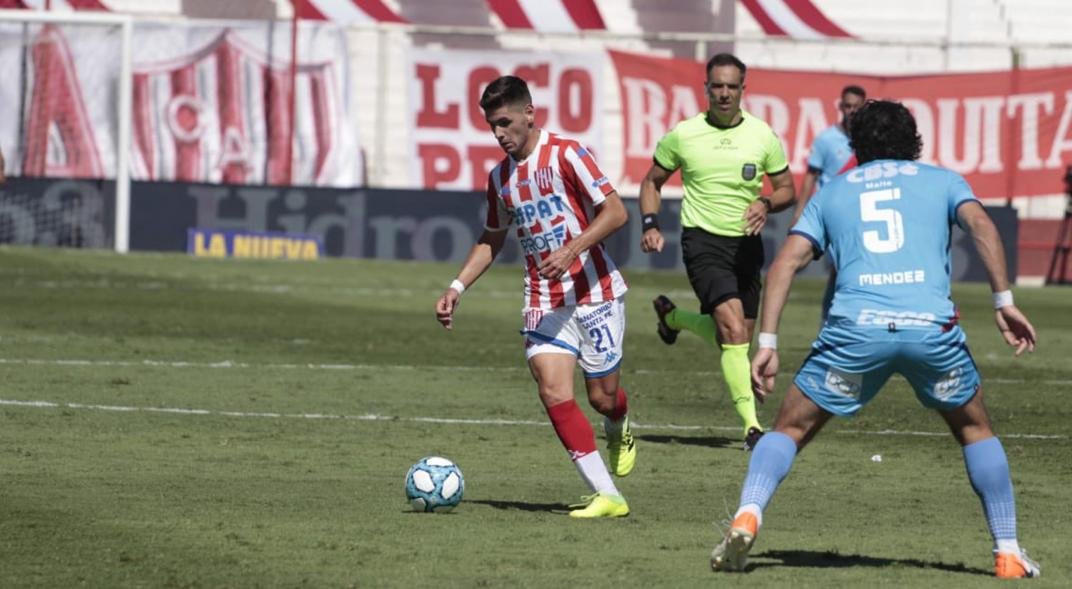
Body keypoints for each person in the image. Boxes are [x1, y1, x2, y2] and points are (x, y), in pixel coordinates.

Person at [710, 100, 1041, 579]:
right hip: (930, 331)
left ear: (856, 145)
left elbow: (785, 264)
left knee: (789, 429)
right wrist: (1003, 301)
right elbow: (982, 227)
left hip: (855, 333)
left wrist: (768, 342)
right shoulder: (944, 181)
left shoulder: (833, 192)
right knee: (975, 428)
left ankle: (747, 515)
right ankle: (1007, 551)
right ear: (914, 141)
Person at [435, 75, 636, 518]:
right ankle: (609, 496)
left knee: (603, 398)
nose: (498, 134)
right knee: (552, 389)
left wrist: (571, 249)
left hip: (595, 292)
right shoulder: (500, 178)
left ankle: (619, 423)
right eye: (492, 126)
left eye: (504, 122)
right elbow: (492, 236)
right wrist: (457, 286)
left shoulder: (567, 154)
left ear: (529, 113)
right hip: (543, 300)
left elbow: (616, 212)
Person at [639, 53, 796, 450]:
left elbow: (787, 190)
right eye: (718, 86)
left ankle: (673, 318)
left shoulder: (762, 135)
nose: (724, 93)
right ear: (706, 88)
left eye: (732, 86)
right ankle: (752, 428)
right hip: (702, 241)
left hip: (746, 245)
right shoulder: (684, 134)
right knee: (733, 332)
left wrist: (765, 203)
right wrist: (650, 223)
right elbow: (652, 182)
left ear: (743, 89)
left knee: (735, 337)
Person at [793, 85, 867, 320]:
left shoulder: (868, 139)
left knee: (845, 271)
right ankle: (830, 321)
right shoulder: (826, 139)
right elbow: (811, 176)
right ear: (840, 107)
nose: (852, 111)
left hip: (860, 213)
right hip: (832, 213)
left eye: (856, 107)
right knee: (840, 268)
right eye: (848, 106)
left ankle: (838, 321)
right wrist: (799, 211)